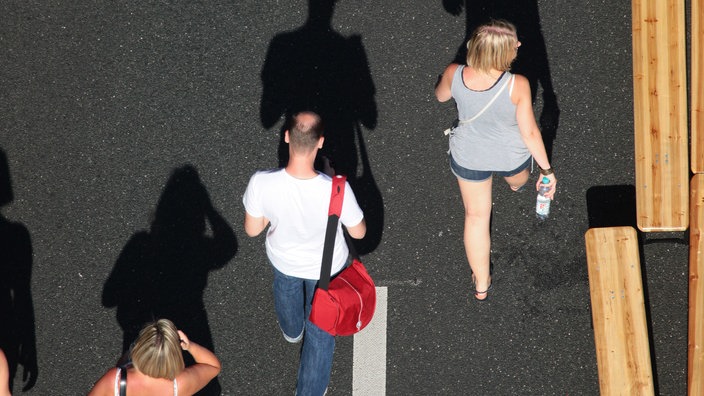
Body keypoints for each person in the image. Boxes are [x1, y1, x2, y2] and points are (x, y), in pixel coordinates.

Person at [243, 111, 366, 395]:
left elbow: (253, 229)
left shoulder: (261, 183)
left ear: (287, 137)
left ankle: (291, 330)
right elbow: (358, 232)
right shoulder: (337, 189)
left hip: (283, 259)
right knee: (321, 331)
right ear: (320, 143)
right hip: (326, 268)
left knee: (285, 288)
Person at [435, 19, 557, 301]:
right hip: (509, 155)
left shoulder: (455, 72)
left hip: (469, 155)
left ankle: (481, 284)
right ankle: (515, 187)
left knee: (476, 216)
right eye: (515, 43)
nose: (519, 45)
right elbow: (528, 131)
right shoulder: (518, 84)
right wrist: (547, 170)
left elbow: (441, 97)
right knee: (518, 180)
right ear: (506, 53)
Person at [88, 319, 221, 396]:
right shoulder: (179, 384)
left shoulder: (115, 380)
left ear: (138, 349)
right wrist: (190, 346)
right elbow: (213, 366)